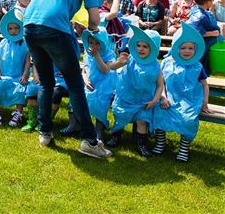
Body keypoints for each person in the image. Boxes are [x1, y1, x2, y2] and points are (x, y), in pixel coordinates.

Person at [23, 0, 112, 158]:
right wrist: (91, 30)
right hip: (53, 29)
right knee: (75, 85)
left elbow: (50, 8)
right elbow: (95, 20)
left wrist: (72, 24)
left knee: (46, 84)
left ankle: (44, 133)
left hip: (29, 26)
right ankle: (89, 140)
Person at [151, 23, 211, 162]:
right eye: (183, 48)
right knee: (159, 113)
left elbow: (204, 84)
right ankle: (160, 142)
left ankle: (184, 148)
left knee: (188, 119)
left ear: (195, 50)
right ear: (176, 48)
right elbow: (161, 83)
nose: (187, 51)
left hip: (189, 99)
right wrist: (163, 97)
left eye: (190, 48)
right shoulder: (167, 62)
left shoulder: (197, 66)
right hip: (169, 96)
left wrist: (205, 102)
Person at [108, 25, 164, 157]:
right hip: (125, 98)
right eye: (139, 45)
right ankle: (116, 136)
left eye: (145, 46)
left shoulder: (155, 65)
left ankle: (141, 145)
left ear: (153, 48)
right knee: (120, 116)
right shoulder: (130, 59)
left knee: (142, 121)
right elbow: (112, 67)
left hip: (143, 101)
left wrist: (155, 100)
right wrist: (120, 63)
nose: (141, 49)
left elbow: (160, 85)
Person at [81, 28, 126, 141]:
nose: (93, 46)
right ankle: (82, 128)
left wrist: (97, 56)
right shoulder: (87, 54)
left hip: (105, 85)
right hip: (90, 84)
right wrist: (85, 80)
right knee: (83, 103)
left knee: (100, 105)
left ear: (103, 43)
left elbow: (105, 70)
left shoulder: (108, 54)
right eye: (91, 43)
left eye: (97, 43)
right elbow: (84, 70)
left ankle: (99, 131)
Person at [0, 9, 30, 127]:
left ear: (20, 29)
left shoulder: (25, 44)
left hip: (18, 76)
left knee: (21, 89)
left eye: (16, 28)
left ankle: (18, 113)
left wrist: (25, 74)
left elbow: (27, 62)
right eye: (10, 28)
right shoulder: (3, 43)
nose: (13, 31)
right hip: (4, 75)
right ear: (7, 30)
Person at [186, 0, 222, 75]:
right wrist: (212, 33)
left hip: (204, 48)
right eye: (212, 0)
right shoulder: (199, 16)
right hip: (199, 49)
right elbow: (193, 32)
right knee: (197, 73)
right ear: (207, 2)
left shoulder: (200, 11)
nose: (213, 2)